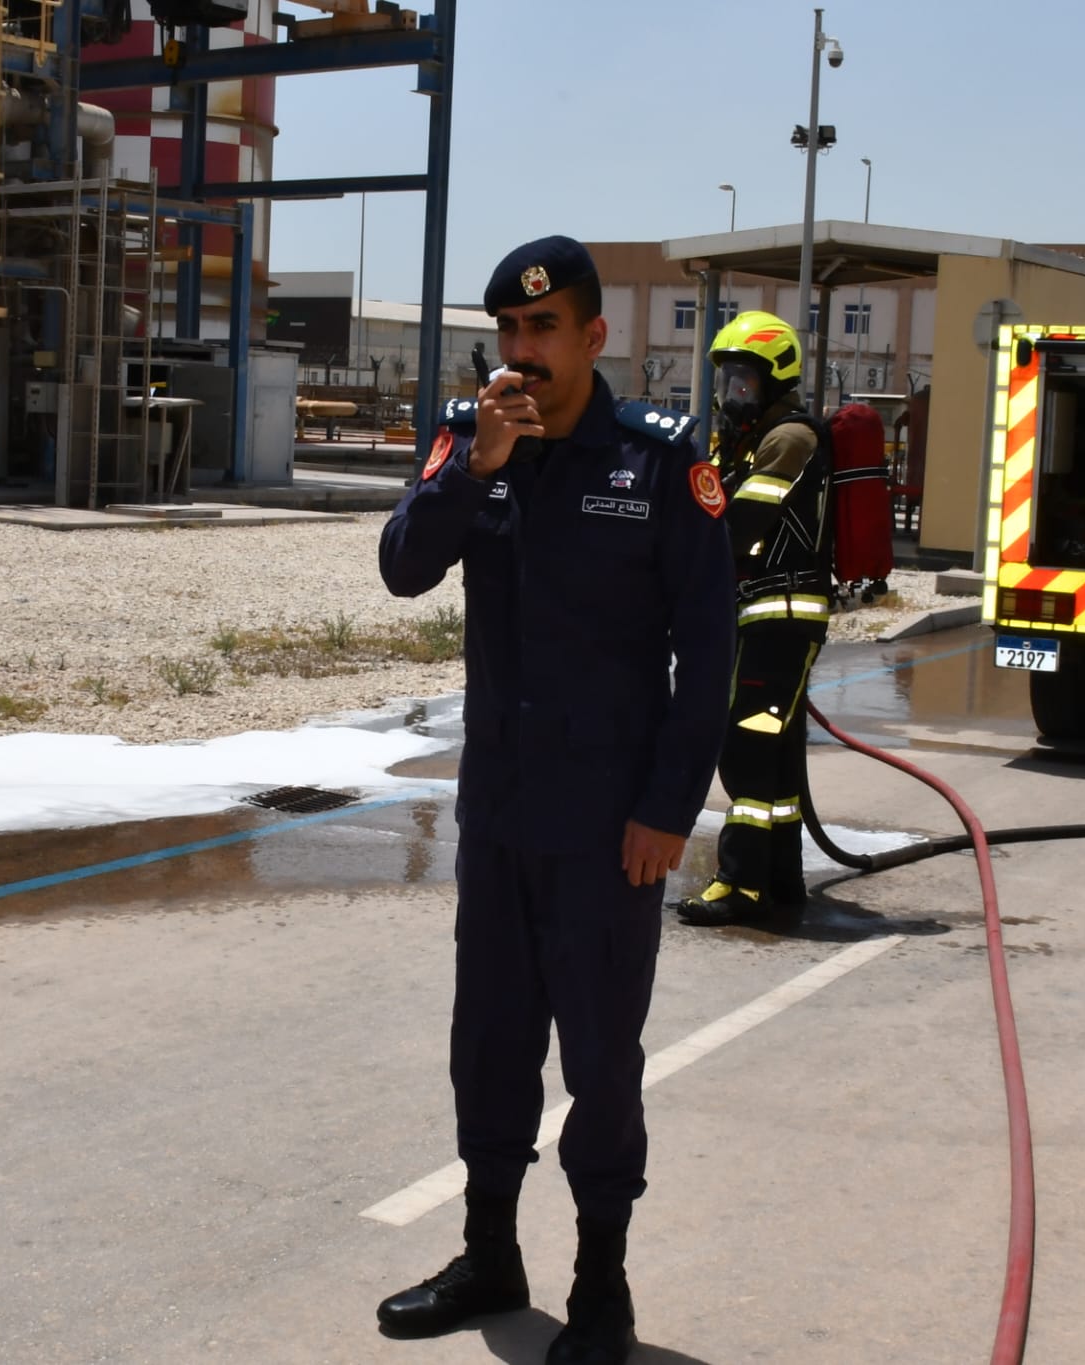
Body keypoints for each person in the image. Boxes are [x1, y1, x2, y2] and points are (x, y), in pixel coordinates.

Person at [376, 235, 735, 1365]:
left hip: (607, 827)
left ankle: (601, 1288)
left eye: (544, 329)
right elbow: (403, 566)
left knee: (599, 1060)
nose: (522, 352)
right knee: (487, 1042)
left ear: (592, 337)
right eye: (508, 331)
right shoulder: (473, 438)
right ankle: (490, 1255)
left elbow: (708, 649)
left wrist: (669, 808)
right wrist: (474, 467)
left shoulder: (657, 460)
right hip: (500, 814)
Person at [676, 311, 834, 925]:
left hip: (782, 613)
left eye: (743, 381)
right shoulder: (752, 438)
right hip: (763, 615)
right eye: (727, 381)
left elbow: (736, 527)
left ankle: (740, 883)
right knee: (778, 750)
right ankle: (781, 877)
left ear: (774, 380)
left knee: (746, 744)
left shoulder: (788, 439)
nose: (731, 394)